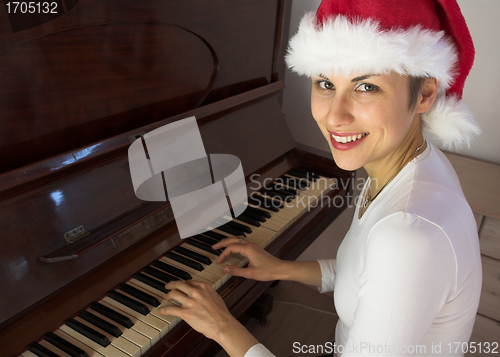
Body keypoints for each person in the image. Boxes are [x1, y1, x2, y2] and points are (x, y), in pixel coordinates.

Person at [159, 0, 483, 355]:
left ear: (424, 94)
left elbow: (392, 256)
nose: (334, 117)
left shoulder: (406, 236)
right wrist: (282, 269)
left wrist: (223, 327)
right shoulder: (412, 164)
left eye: (366, 87)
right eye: (325, 83)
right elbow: (360, 274)